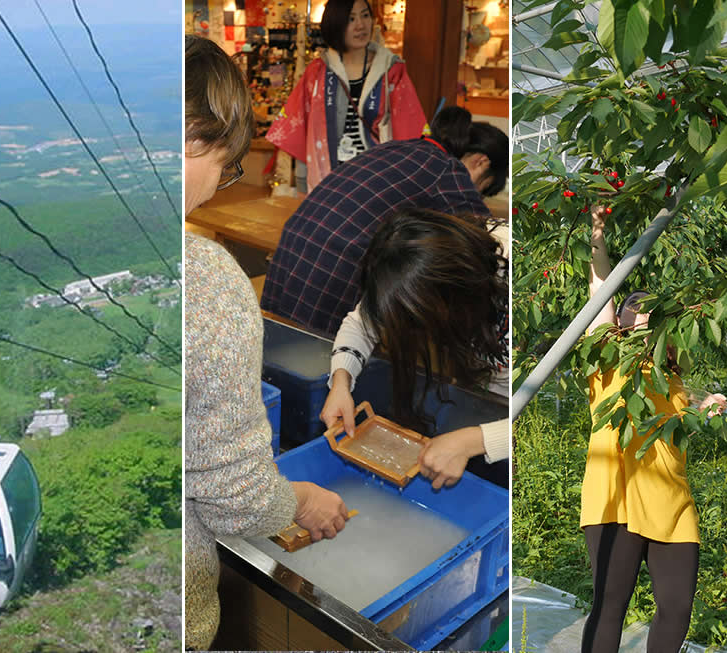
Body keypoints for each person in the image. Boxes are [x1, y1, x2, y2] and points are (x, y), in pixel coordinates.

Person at [184, 35, 349, 651]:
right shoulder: (204, 281)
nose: (220, 185)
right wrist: (299, 500)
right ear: (197, 136)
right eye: (226, 166)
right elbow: (235, 498)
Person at [581, 205, 726, 653]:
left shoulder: (674, 377)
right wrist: (598, 234)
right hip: (616, 499)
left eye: (653, 311)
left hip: (670, 501)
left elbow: (678, 428)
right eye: (634, 308)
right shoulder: (607, 361)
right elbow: (601, 291)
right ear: (620, 321)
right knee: (611, 603)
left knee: (678, 604)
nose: (644, 314)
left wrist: (709, 411)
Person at [261, 105, 509, 337]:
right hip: (334, 264)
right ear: (481, 162)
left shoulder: (400, 147)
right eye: (483, 189)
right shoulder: (447, 169)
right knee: (317, 356)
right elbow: (490, 238)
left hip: (294, 247)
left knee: (279, 346)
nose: (473, 192)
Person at [318, 208, 509, 490]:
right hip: (489, 402)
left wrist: (474, 441)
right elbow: (360, 324)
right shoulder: (414, 272)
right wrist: (341, 382)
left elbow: (557, 409)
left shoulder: (529, 283)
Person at [266, 0, 428, 191]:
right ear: (335, 24)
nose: (360, 25)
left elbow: (409, 129)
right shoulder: (317, 72)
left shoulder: (391, 71)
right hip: (329, 177)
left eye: (365, 15)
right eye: (351, 19)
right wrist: (301, 182)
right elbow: (302, 129)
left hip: (377, 178)